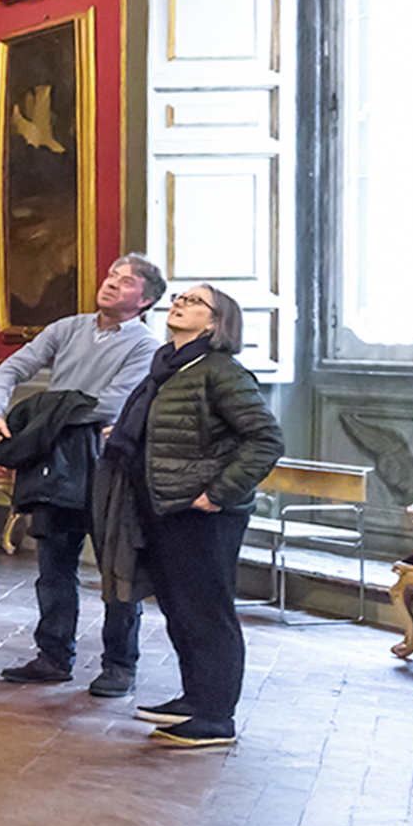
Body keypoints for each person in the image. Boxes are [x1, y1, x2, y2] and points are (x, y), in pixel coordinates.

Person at [94, 284, 284, 748]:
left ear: (217, 324)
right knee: (180, 609)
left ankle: (216, 716)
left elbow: (266, 440)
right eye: (179, 296)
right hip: (162, 505)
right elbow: (181, 430)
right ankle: (195, 700)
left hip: (202, 512)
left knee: (207, 612)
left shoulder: (220, 371)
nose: (180, 302)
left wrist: (218, 493)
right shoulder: (169, 367)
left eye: (196, 301)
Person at [0, 254, 167, 693]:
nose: (111, 284)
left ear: (146, 300)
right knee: (54, 565)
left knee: (116, 570)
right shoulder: (67, 328)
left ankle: (119, 664)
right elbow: (12, 367)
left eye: (126, 282)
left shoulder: (144, 346)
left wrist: (41, 409)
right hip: (57, 460)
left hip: (108, 464)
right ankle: (53, 656)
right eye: (111, 276)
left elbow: (108, 404)